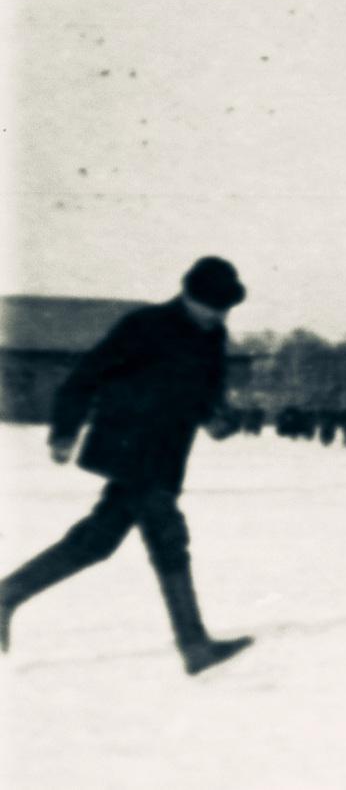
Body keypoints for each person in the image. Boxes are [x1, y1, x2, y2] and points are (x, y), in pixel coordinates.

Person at [0, 257, 256, 674]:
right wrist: (64, 430)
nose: (220, 315)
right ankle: (194, 646)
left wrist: (217, 416)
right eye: (214, 306)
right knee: (168, 536)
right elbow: (85, 375)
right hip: (127, 446)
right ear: (190, 296)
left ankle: (7, 594)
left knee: (99, 540)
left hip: (168, 451)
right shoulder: (146, 326)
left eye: (226, 308)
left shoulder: (213, 335)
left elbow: (205, 392)